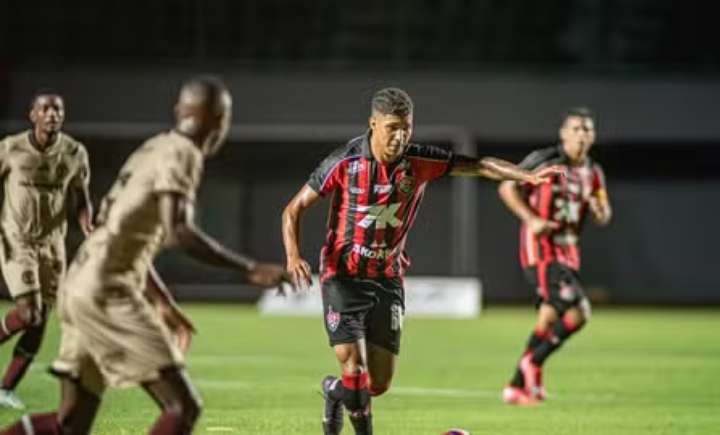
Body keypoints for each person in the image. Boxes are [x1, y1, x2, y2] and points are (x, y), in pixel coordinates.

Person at [1, 76, 291, 435]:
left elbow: (116, 228)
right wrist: (249, 268)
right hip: (106, 292)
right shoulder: (184, 153)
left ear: (180, 110)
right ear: (219, 121)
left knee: (70, 423)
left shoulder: (152, 148)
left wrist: (162, 301)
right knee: (182, 406)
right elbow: (177, 231)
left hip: (78, 283)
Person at [282, 87, 563, 435]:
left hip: (387, 279)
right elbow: (293, 209)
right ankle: (350, 400)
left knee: (378, 384)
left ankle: (333, 390)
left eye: (407, 128)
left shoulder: (419, 161)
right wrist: (293, 256)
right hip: (343, 277)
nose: (400, 137)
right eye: (392, 128)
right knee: (354, 370)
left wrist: (525, 176)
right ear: (373, 124)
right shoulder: (344, 162)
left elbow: (479, 166)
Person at [499, 107, 612, 406]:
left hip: (569, 251)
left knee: (548, 319)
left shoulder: (594, 173)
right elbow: (507, 186)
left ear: (593, 136)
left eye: (587, 129)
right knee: (580, 310)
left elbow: (603, 213)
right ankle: (533, 363)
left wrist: (600, 211)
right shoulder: (545, 160)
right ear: (563, 133)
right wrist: (532, 219)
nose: (581, 135)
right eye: (575, 129)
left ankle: (515, 387)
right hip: (541, 249)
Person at [0, 91, 93, 409]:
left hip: (53, 246)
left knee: (40, 320)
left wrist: (87, 223)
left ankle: (5, 389)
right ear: (33, 115)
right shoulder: (10, 148)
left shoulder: (74, 152)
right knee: (29, 312)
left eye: (58, 110)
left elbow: (81, 197)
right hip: (17, 240)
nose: (52, 114)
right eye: (46, 109)